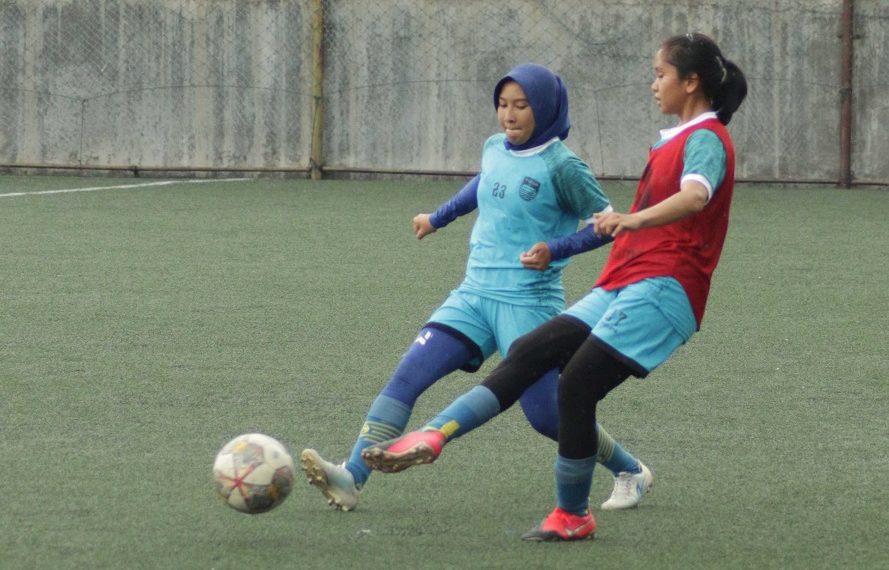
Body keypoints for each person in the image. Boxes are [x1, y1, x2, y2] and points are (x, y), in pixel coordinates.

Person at [362, 33, 748, 542]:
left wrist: (628, 220)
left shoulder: (706, 136)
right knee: (528, 353)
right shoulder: (672, 137)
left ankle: (572, 515)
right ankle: (436, 435)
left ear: (691, 81)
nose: (653, 84)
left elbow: (695, 196)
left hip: (665, 288)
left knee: (575, 386)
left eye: (661, 74)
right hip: (623, 280)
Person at [301, 63, 652, 512]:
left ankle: (628, 469)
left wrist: (555, 248)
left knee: (547, 416)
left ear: (544, 109)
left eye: (521, 106)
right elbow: (481, 186)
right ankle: (351, 476)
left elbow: (607, 226)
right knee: (407, 377)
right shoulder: (494, 148)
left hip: (528, 305)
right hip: (472, 295)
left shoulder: (563, 166)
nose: (509, 115)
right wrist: (436, 217)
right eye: (503, 105)